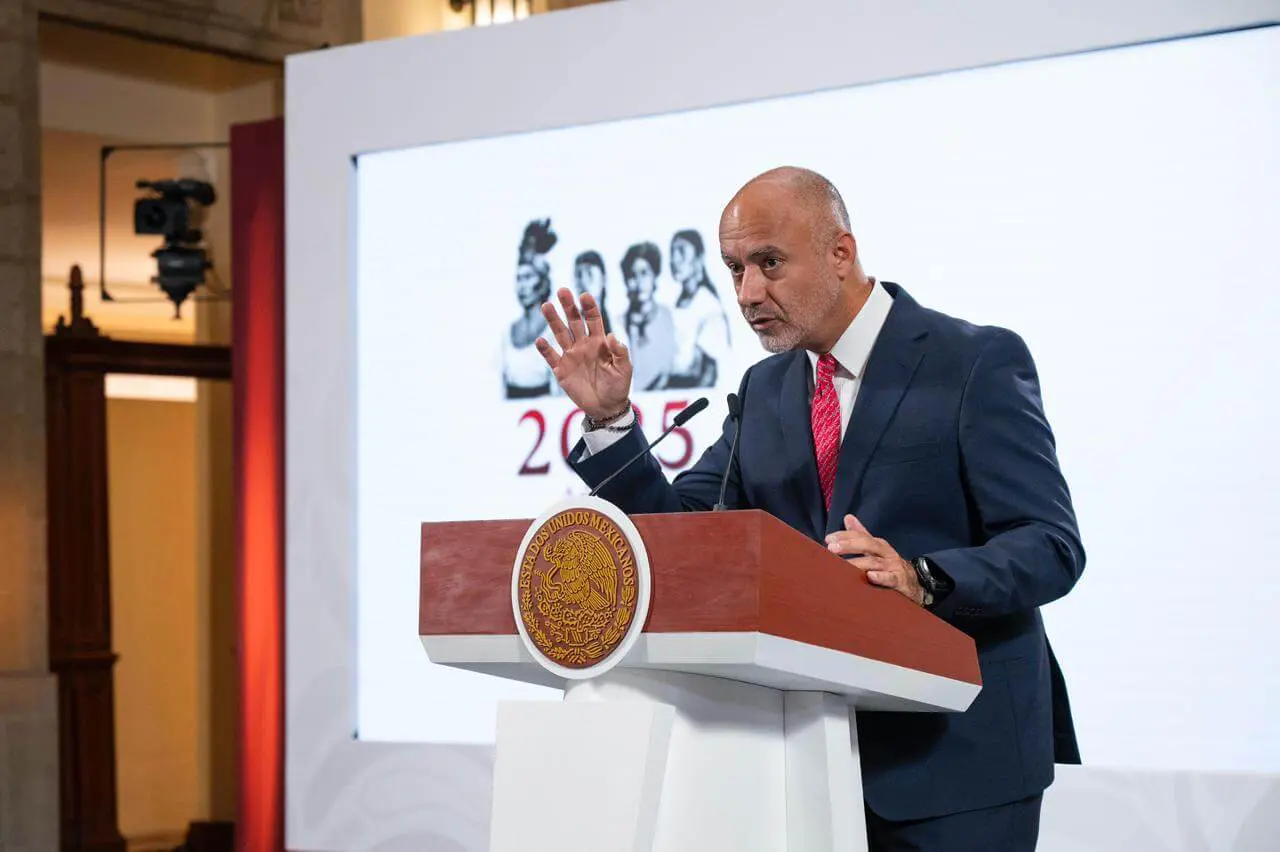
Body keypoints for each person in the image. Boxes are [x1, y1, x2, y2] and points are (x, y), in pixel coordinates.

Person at [533, 167, 1084, 851]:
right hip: (802, 768)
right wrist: (613, 421)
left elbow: (1049, 544)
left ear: (840, 253)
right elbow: (683, 534)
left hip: (959, 763)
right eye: (734, 269)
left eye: (769, 263)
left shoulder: (973, 361)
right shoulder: (764, 390)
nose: (747, 293)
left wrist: (922, 576)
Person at [668, 229, 731, 388]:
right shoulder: (677, 304)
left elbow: (707, 374)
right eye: (672, 252)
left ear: (699, 258)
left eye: (681, 251)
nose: (674, 260)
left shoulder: (709, 306)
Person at [503, 219, 558, 398]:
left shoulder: (555, 333)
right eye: (518, 278)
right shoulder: (507, 333)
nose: (522, 286)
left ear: (542, 283)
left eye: (528, 277)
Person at [620, 241, 676, 392]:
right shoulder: (618, 324)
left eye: (644, 273)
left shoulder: (668, 318)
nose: (639, 282)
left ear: (654, 276)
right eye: (632, 275)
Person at [573, 250, 615, 336]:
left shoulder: (618, 327)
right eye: (579, 275)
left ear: (603, 278)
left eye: (589, 273)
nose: (583, 282)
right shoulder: (569, 327)